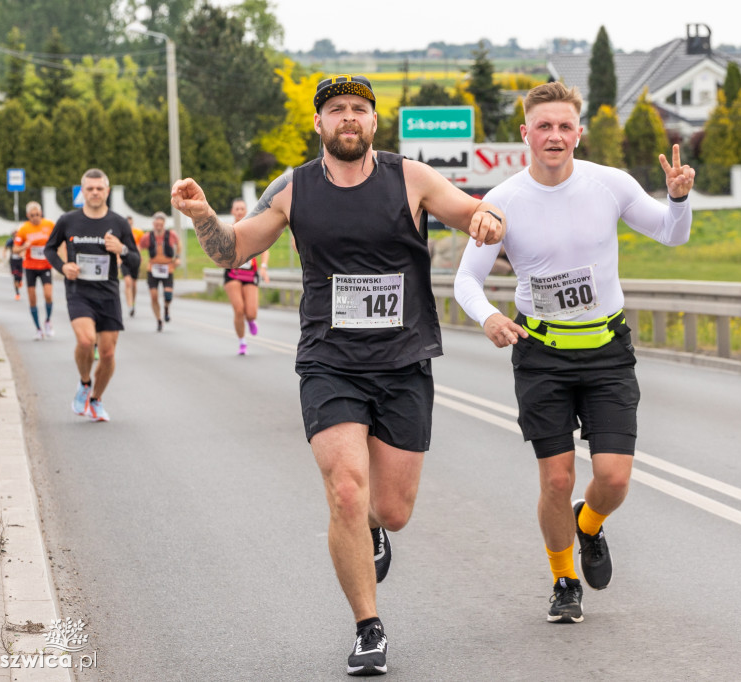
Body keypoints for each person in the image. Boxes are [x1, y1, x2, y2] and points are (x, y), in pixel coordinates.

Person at [171, 74, 504, 677]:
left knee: (392, 508)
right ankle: (368, 627)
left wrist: (487, 219)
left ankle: (376, 528)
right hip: (329, 361)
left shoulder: (411, 178)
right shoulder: (294, 188)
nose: (348, 118)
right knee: (347, 489)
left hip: (403, 362)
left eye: (359, 109)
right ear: (319, 125)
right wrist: (202, 216)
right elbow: (232, 252)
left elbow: (473, 212)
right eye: (336, 111)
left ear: (374, 123)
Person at [454, 82, 695, 624]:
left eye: (565, 126)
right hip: (541, 353)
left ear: (578, 132)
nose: (556, 136)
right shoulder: (503, 201)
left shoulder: (609, 185)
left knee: (612, 478)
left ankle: (588, 525)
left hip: (607, 348)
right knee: (557, 479)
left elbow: (671, 235)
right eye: (544, 126)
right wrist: (489, 316)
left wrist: (678, 199)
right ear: (526, 134)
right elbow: (465, 281)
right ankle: (564, 579)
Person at [44, 168, 141, 422]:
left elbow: (135, 261)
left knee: (108, 354)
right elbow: (50, 249)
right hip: (79, 292)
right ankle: (85, 383)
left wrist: (121, 249)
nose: (95, 192)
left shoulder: (119, 223)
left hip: (108, 294)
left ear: (107, 191)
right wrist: (63, 267)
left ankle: (96, 399)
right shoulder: (68, 221)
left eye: (100, 188)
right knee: (86, 341)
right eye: (90, 188)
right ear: (82, 192)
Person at [223, 198, 270, 355]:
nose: (240, 211)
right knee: (239, 309)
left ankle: (250, 320)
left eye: (242, 209)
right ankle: (242, 342)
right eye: (237, 209)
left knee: (251, 312)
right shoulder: (228, 229)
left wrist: (263, 267)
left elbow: (265, 248)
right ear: (232, 212)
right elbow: (219, 248)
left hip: (250, 272)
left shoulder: (253, 228)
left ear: (246, 211)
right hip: (232, 273)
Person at [13, 201, 56, 340]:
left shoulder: (49, 225)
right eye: (32, 215)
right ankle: (38, 329)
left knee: (48, 295)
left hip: (45, 266)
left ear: (41, 213)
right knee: (32, 299)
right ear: (28, 216)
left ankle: (48, 321)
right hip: (30, 267)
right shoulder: (24, 229)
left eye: (38, 214)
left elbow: (58, 240)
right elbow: (15, 249)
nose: (36, 217)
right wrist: (24, 247)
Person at [138, 211, 181, 332]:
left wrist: (177, 257)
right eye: (156, 224)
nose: (158, 226)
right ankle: (158, 320)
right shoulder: (148, 236)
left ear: (164, 224)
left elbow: (179, 244)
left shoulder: (171, 235)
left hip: (168, 268)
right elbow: (140, 246)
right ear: (153, 224)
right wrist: (139, 256)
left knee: (168, 295)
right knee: (153, 296)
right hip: (153, 269)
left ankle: (166, 308)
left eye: (160, 224)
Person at [122, 215, 144, 316]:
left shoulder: (138, 233)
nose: (129, 225)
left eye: (130, 223)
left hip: (135, 259)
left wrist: (140, 256)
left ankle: (133, 302)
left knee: (134, 284)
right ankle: (130, 305)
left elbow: (140, 246)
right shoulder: (121, 233)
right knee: (127, 282)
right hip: (124, 259)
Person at [3, 229, 25, 300]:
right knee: (15, 276)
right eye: (14, 234)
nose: (16, 236)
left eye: (17, 234)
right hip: (13, 261)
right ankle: (17, 293)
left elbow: (25, 248)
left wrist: (22, 253)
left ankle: (20, 281)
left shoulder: (21, 241)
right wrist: (4, 253)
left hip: (20, 260)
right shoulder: (10, 241)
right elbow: (5, 248)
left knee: (20, 275)